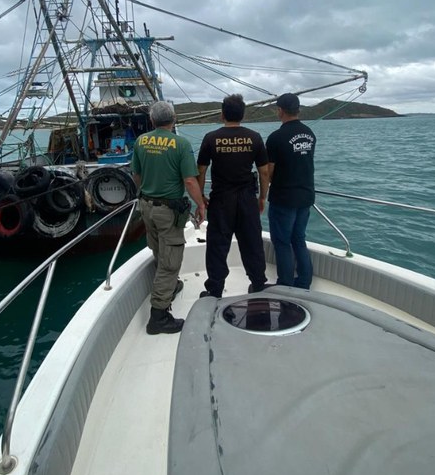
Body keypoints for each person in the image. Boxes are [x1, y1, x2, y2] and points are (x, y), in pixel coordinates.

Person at [132, 101, 205, 335]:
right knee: (170, 261)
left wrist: (144, 194)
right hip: (168, 211)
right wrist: (201, 204)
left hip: (146, 206)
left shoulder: (141, 141)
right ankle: (159, 317)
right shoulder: (180, 144)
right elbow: (190, 180)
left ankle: (170, 286)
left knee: (158, 251)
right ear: (174, 119)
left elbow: (136, 174)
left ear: (152, 121)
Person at [197, 94, 269, 298]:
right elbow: (264, 172)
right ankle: (257, 283)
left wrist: (200, 196)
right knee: (252, 242)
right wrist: (263, 197)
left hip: (221, 199)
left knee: (217, 245)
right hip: (247, 198)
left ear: (222, 114)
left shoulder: (211, 138)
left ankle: (215, 289)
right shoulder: (254, 137)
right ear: (243, 114)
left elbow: (201, 169)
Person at [266, 93, 316, 289]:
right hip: (306, 196)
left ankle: (285, 284)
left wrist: (262, 191)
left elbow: (269, 171)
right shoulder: (310, 134)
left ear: (280, 110)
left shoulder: (276, 138)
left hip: (284, 198)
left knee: (282, 242)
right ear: (298, 110)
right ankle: (304, 282)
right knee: (299, 239)